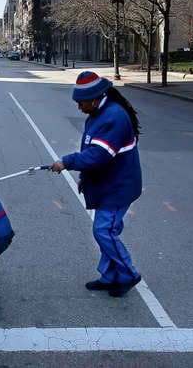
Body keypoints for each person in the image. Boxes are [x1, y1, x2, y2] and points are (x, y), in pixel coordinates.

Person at [49, 71, 142, 297]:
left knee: (103, 231)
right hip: (107, 183)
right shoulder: (97, 114)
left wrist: (66, 162)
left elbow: (99, 155)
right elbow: (90, 151)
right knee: (107, 230)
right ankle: (110, 277)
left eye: (81, 102)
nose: (79, 107)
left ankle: (128, 274)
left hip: (119, 186)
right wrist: (85, 178)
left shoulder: (114, 117)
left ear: (94, 97)